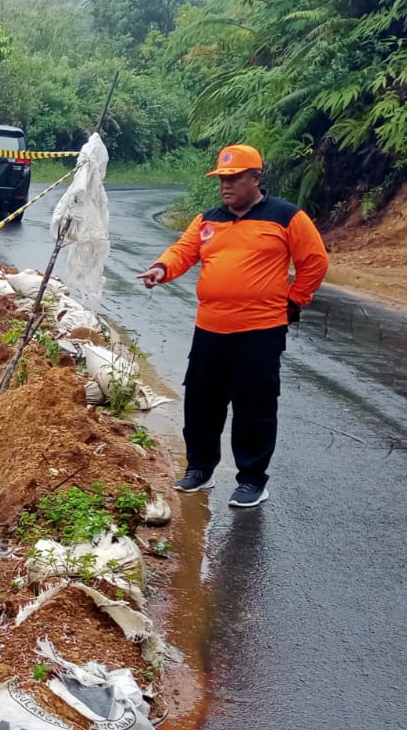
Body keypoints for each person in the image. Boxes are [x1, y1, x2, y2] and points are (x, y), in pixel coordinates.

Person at [137, 144, 329, 508]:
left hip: (260, 331)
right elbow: (183, 250)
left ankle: (252, 480)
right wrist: (162, 268)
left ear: (256, 178)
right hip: (210, 327)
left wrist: (294, 300)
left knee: (253, 406)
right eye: (222, 179)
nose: (226, 186)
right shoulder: (208, 219)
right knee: (201, 401)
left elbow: (315, 261)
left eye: (234, 178)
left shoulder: (286, 216)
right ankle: (200, 468)